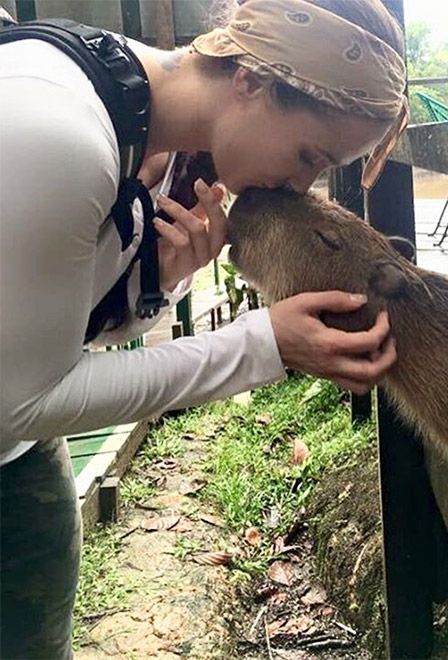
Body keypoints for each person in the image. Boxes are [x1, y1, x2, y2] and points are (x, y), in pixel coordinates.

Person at [0, 0, 408, 656]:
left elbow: (46, 335)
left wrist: (150, 288)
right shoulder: (60, 130)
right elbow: (20, 399)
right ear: (249, 79)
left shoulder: (152, 128)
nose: (302, 184)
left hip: (18, 461)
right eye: (309, 154)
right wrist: (262, 345)